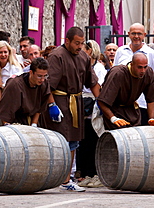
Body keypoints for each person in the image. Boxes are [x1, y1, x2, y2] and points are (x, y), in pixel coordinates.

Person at [41, 26, 100, 192]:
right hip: (59, 101)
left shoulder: (83, 56)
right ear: (67, 41)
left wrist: (102, 102)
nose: (79, 46)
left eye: (81, 43)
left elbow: (93, 82)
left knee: (73, 140)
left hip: (76, 101)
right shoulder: (56, 56)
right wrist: (52, 105)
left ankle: (67, 179)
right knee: (59, 140)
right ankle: (55, 177)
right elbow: (47, 86)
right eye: (76, 43)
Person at [97, 53, 154, 129]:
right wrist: (113, 118)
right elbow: (102, 101)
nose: (143, 71)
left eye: (145, 67)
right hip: (113, 110)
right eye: (139, 67)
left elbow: (151, 99)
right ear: (132, 65)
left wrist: (151, 118)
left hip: (132, 111)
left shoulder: (148, 73)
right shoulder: (117, 73)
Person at [114, 23, 154, 124]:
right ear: (128, 34)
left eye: (139, 34)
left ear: (144, 35)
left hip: (143, 104)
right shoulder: (120, 51)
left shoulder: (152, 54)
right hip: (122, 105)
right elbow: (114, 77)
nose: (136, 36)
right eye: (134, 33)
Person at [76, 39, 107, 182]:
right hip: (81, 103)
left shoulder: (99, 68)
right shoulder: (81, 65)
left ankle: (91, 171)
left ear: (90, 50)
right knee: (81, 140)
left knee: (91, 139)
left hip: (92, 105)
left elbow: (96, 86)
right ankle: (81, 170)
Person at [0, 57, 50, 126]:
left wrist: (34, 124)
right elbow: (5, 112)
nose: (42, 79)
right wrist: (8, 128)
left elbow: (40, 109)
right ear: (31, 72)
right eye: (39, 76)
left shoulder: (44, 84)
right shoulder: (15, 85)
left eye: (45, 76)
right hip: (15, 122)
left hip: (32, 120)